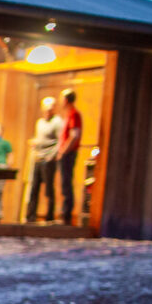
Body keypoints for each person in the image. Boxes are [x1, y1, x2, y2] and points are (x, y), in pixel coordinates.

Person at [24, 98, 63, 222]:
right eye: (46, 108)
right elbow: (40, 139)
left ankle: (50, 216)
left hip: (48, 160)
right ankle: (30, 216)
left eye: (50, 108)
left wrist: (51, 156)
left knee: (48, 189)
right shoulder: (40, 122)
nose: (48, 110)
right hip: (38, 158)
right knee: (34, 187)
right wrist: (35, 143)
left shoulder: (57, 122)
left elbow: (59, 141)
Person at [56, 89, 84, 223]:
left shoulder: (74, 114)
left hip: (68, 154)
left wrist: (63, 151)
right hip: (65, 153)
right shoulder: (69, 114)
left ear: (66, 100)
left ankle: (66, 214)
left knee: (66, 182)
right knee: (64, 182)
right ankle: (64, 212)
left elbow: (74, 136)